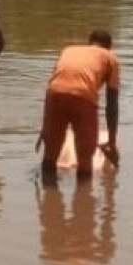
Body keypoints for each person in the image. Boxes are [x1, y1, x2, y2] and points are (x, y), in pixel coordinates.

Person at [40, 30, 121, 183]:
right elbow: (112, 104)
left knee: (50, 154)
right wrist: (111, 142)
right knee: (85, 157)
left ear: (89, 42)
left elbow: (52, 83)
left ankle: (48, 197)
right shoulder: (111, 58)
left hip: (55, 94)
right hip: (83, 98)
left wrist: (45, 126)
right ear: (108, 47)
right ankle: (84, 199)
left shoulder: (68, 50)